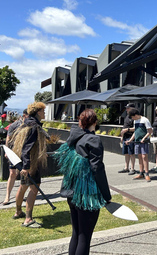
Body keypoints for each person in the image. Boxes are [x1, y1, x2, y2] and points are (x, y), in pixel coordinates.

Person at [55, 109, 112, 255]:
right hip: (86, 195)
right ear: (95, 122)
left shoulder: (74, 137)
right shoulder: (93, 140)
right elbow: (97, 169)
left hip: (71, 192)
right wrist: (106, 195)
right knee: (84, 237)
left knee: (76, 233)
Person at [11, 102, 48, 228]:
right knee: (34, 188)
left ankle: (18, 212)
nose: (44, 113)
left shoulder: (25, 123)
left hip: (24, 162)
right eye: (43, 111)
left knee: (23, 186)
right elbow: (26, 148)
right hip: (30, 163)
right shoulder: (34, 127)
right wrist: (27, 167)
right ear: (38, 112)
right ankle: (28, 218)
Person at [3, 109, 28, 205]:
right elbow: (8, 138)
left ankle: (21, 194)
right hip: (14, 152)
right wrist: (7, 151)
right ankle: (7, 196)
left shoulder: (30, 125)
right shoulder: (15, 125)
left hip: (25, 153)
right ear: (24, 115)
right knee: (12, 173)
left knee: (24, 174)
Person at [126, 108, 153, 182]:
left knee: (144, 156)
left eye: (132, 116)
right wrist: (130, 140)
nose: (132, 118)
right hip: (137, 141)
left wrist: (144, 138)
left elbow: (150, 131)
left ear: (136, 115)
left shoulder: (145, 120)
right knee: (139, 156)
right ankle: (141, 173)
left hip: (143, 142)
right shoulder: (135, 121)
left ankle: (147, 173)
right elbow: (135, 131)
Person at [119, 103, 136, 175]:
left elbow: (135, 128)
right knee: (126, 153)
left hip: (131, 137)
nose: (126, 109)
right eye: (126, 108)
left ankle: (132, 168)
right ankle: (126, 167)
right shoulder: (126, 116)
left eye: (128, 108)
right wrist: (122, 136)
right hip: (125, 137)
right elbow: (124, 127)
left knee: (131, 153)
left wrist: (127, 130)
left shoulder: (134, 117)